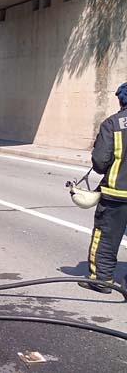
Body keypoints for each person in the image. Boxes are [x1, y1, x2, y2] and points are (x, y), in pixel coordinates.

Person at [79, 83, 127, 294]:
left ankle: (101, 280)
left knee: (106, 236)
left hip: (117, 194)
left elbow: (99, 162)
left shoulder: (113, 124)